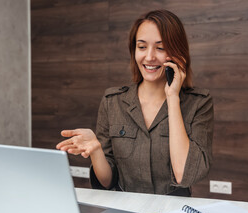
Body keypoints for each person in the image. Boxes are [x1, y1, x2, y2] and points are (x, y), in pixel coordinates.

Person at [56, 9, 213, 197]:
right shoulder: (112, 101)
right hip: (126, 211)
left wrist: (172, 98)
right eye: (142, 47)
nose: (149, 57)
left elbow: (184, 176)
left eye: (160, 48)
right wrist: (96, 150)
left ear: (178, 53)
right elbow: (107, 182)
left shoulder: (199, 103)